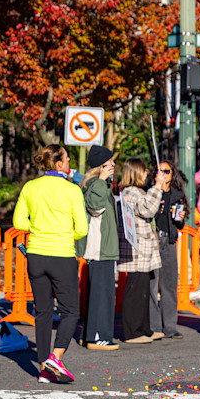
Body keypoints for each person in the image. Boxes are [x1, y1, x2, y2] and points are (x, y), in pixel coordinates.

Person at [13, 144, 88, 382]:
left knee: (43, 312)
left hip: (35, 255)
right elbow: (82, 229)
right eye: (67, 159)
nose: (69, 163)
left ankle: (44, 368)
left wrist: (39, 228)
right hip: (62, 255)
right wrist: (63, 232)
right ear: (58, 164)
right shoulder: (72, 190)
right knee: (70, 311)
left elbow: (19, 222)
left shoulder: (30, 187)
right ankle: (56, 357)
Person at [117, 158, 166, 344]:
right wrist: (158, 187)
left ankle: (143, 328)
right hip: (136, 249)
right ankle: (132, 331)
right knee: (135, 290)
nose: (147, 174)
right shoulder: (130, 192)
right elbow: (146, 209)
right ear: (136, 172)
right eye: (144, 171)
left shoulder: (137, 191)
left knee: (143, 290)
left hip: (143, 248)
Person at [77, 145, 120, 351]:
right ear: (100, 166)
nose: (113, 164)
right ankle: (98, 336)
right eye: (109, 161)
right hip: (99, 248)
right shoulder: (96, 184)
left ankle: (90, 334)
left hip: (103, 247)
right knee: (102, 294)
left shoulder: (97, 184)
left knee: (100, 293)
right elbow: (95, 207)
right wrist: (102, 180)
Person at [148, 159, 188, 340]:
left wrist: (180, 218)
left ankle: (170, 326)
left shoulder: (177, 194)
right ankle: (154, 326)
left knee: (169, 285)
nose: (163, 174)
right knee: (151, 284)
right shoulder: (151, 191)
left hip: (169, 240)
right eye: (160, 171)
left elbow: (180, 224)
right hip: (153, 240)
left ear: (172, 175)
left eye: (167, 171)